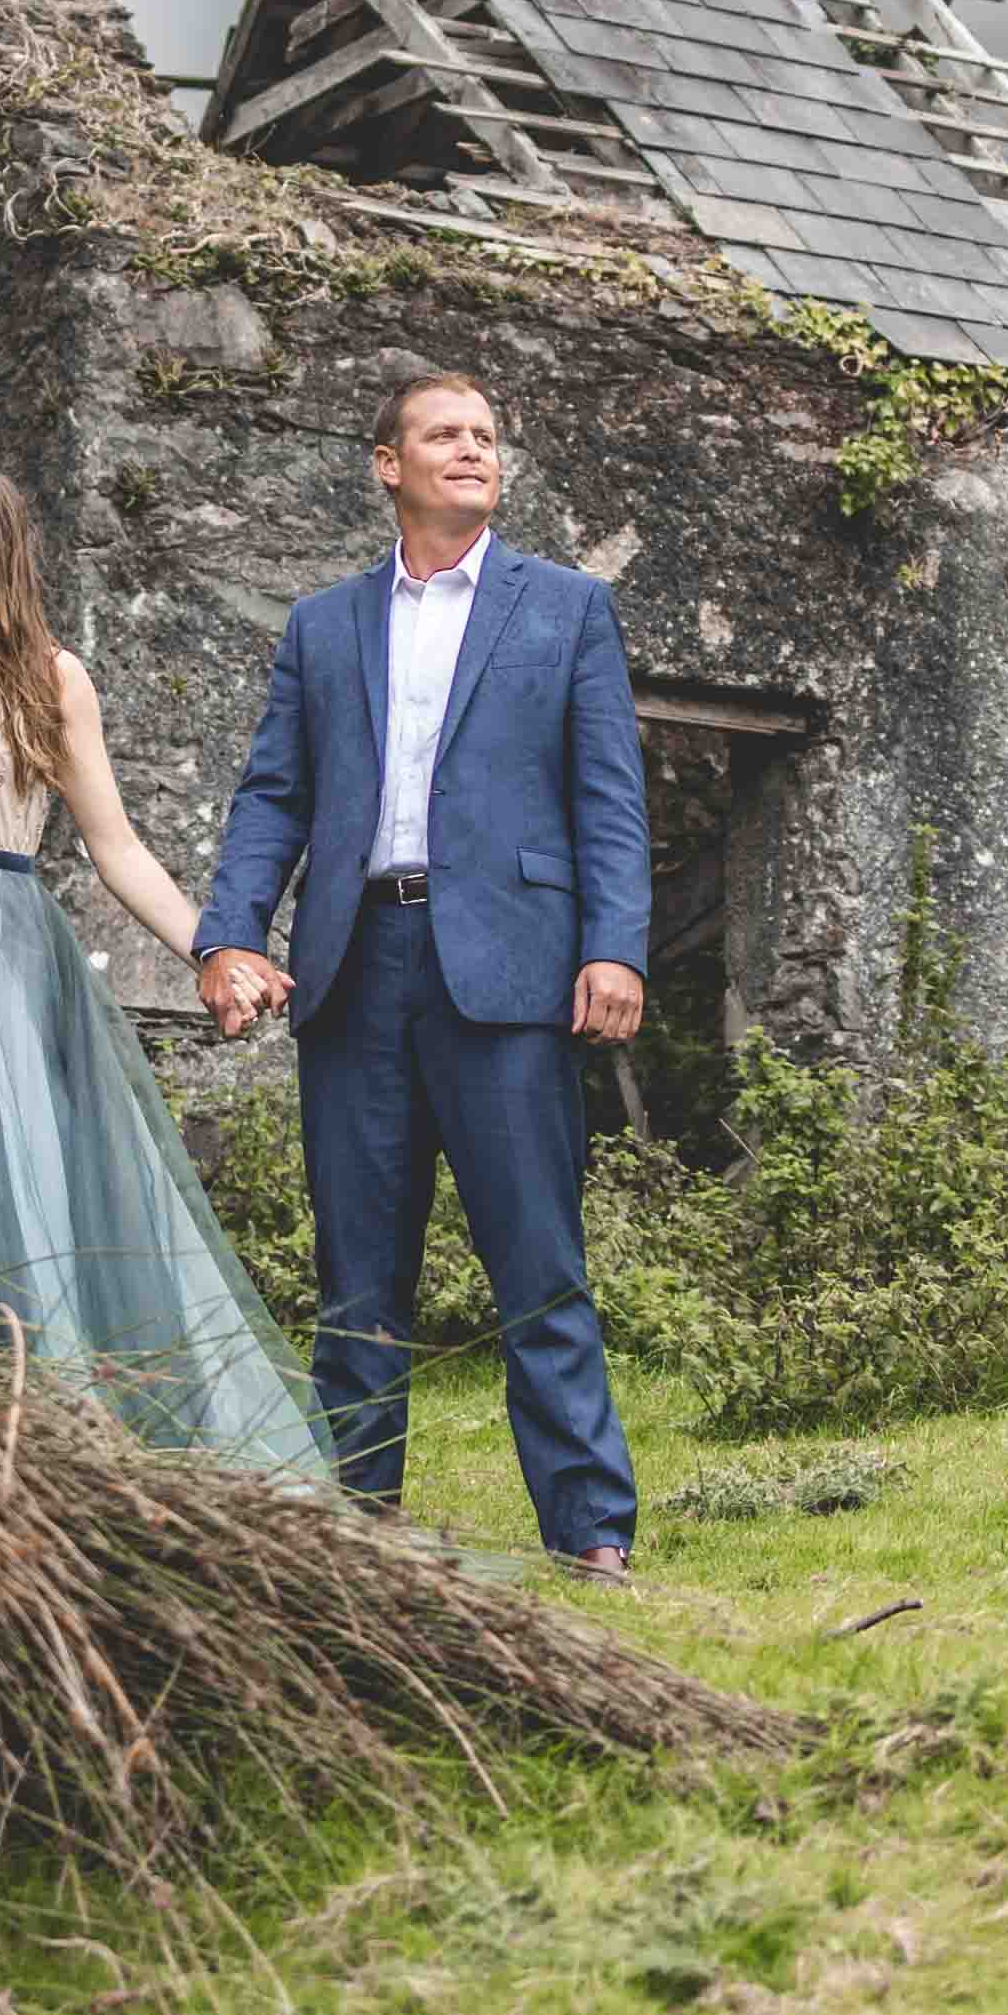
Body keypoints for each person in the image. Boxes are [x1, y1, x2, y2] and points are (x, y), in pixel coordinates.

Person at [193, 370, 650, 1576]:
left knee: (539, 1265)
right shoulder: (322, 624)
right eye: (445, 435)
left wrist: (614, 946)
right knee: (356, 1274)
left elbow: (610, 801)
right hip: (355, 970)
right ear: (386, 465)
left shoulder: (565, 610)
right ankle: (357, 1532)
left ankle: (591, 1532)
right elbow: (274, 798)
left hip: (510, 976)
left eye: (488, 436)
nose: (472, 451)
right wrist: (230, 934)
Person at [0, 460, 325, 1478]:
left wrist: (215, 949)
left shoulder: (51, 677)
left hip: (3, 957)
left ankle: (59, 1447)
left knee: (19, 1174)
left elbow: (115, 845)